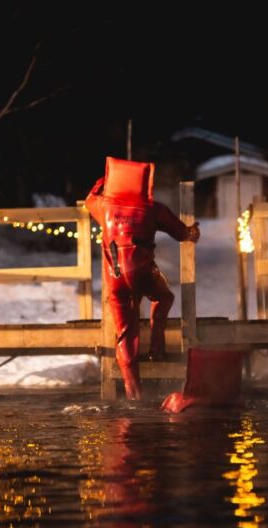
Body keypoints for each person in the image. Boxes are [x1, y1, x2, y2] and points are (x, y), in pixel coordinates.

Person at [85, 157, 200, 400]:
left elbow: (89, 199)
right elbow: (183, 233)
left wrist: (103, 181)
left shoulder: (103, 207)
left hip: (115, 278)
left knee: (125, 332)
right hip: (143, 273)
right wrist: (193, 232)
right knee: (164, 297)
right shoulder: (153, 209)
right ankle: (156, 348)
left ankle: (133, 394)